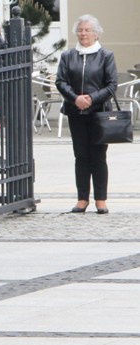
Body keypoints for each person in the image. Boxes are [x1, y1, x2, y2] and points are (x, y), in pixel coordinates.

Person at [56, 15, 117, 214]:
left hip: (99, 113)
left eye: (87, 30)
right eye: (80, 30)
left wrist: (91, 98)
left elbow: (111, 85)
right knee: (81, 156)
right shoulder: (68, 56)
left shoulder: (106, 55)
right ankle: (82, 198)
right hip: (76, 112)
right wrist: (75, 98)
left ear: (96, 33)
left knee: (98, 156)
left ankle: (101, 199)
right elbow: (61, 81)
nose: (83, 33)